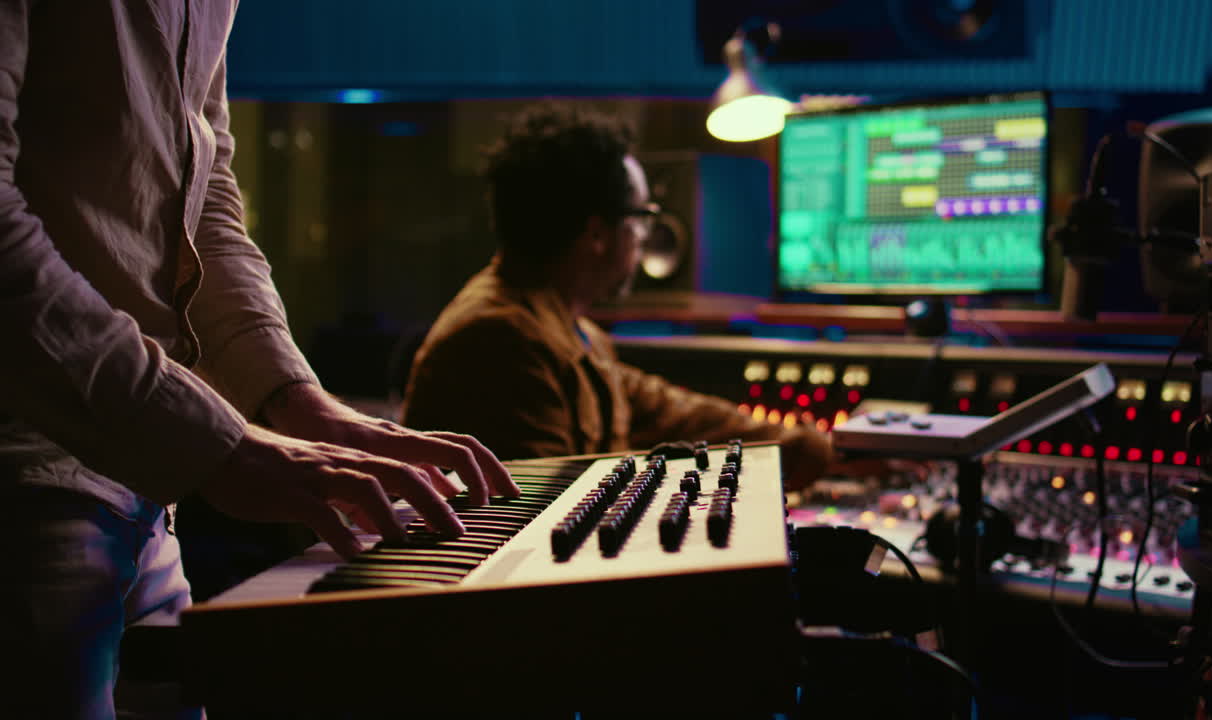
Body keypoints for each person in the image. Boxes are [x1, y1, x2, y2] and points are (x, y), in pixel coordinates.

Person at [0, 3, 516, 717]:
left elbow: (203, 196)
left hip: (146, 484)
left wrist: (295, 401)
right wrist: (220, 445)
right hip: (24, 478)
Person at [401, 103, 833, 489]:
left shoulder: (565, 327)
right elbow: (552, 523)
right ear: (596, 234)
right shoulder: (500, 340)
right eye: (642, 217)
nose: (646, 236)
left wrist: (804, 446)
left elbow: (670, 410)